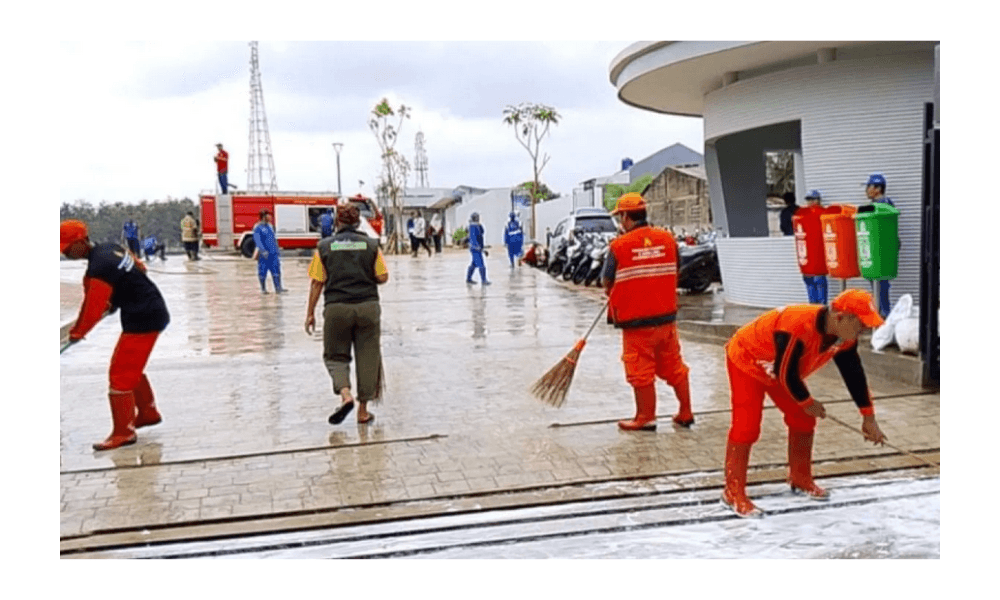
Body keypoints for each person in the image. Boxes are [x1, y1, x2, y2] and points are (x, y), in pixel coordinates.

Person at [721, 289, 889, 517]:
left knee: (803, 418)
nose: (865, 331)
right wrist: (807, 401)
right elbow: (786, 373)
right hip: (748, 361)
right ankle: (732, 492)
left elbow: (853, 373)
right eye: (861, 324)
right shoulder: (798, 325)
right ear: (840, 317)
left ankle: (800, 478)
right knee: (747, 427)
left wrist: (868, 417)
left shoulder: (844, 337)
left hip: (779, 369)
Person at [60, 220, 170, 451]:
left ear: (80, 242)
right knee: (130, 366)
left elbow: (92, 308)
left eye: (67, 246)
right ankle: (147, 413)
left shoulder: (99, 267)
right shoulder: (110, 249)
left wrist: (78, 332)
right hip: (149, 310)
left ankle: (123, 432)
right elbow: (140, 267)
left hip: (143, 318)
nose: (64, 252)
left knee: (119, 374)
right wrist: (117, 297)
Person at [602, 193, 694, 431]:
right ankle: (685, 412)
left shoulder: (618, 246)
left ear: (624, 216)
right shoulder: (667, 239)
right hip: (666, 320)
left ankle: (645, 417)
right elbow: (678, 269)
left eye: (619, 217)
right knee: (673, 365)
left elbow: (606, 281)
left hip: (636, 323)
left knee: (639, 370)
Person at [305, 203, 389, 426]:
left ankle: (345, 396)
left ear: (337, 223)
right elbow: (383, 277)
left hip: (336, 308)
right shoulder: (371, 245)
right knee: (368, 357)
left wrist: (310, 313)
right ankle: (362, 411)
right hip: (368, 308)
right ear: (358, 222)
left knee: (335, 356)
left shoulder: (324, 246)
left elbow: (317, 282)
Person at [865, 173, 896, 318]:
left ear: (877, 188)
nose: (866, 190)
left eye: (869, 186)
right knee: (877, 283)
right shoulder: (875, 205)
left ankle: (885, 315)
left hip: (882, 249)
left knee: (882, 284)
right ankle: (881, 313)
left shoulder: (884, 205)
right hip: (875, 249)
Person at [800, 190, 828, 305]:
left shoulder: (824, 214)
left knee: (819, 280)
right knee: (809, 280)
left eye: (812, 199)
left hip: (818, 254)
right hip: (807, 255)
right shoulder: (803, 215)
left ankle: (821, 308)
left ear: (818, 200)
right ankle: (813, 308)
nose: (810, 202)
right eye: (808, 200)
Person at [253, 210, 285, 293]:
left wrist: (277, 250)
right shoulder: (258, 228)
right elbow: (258, 240)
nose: (270, 217)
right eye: (268, 216)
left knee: (276, 271)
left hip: (273, 253)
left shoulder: (270, 227)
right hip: (264, 255)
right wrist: (263, 251)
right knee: (262, 271)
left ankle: (278, 288)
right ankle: (263, 289)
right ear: (263, 217)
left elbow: (274, 240)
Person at [465, 212, 490, 285]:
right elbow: (475, 238)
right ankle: (484, 280)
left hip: (476, 248)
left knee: (474, 264)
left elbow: (481, 235)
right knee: (481, 265)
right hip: (476, 248)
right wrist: (479, 248)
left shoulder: (475, 226)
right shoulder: (473, 227)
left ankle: (468, 279)